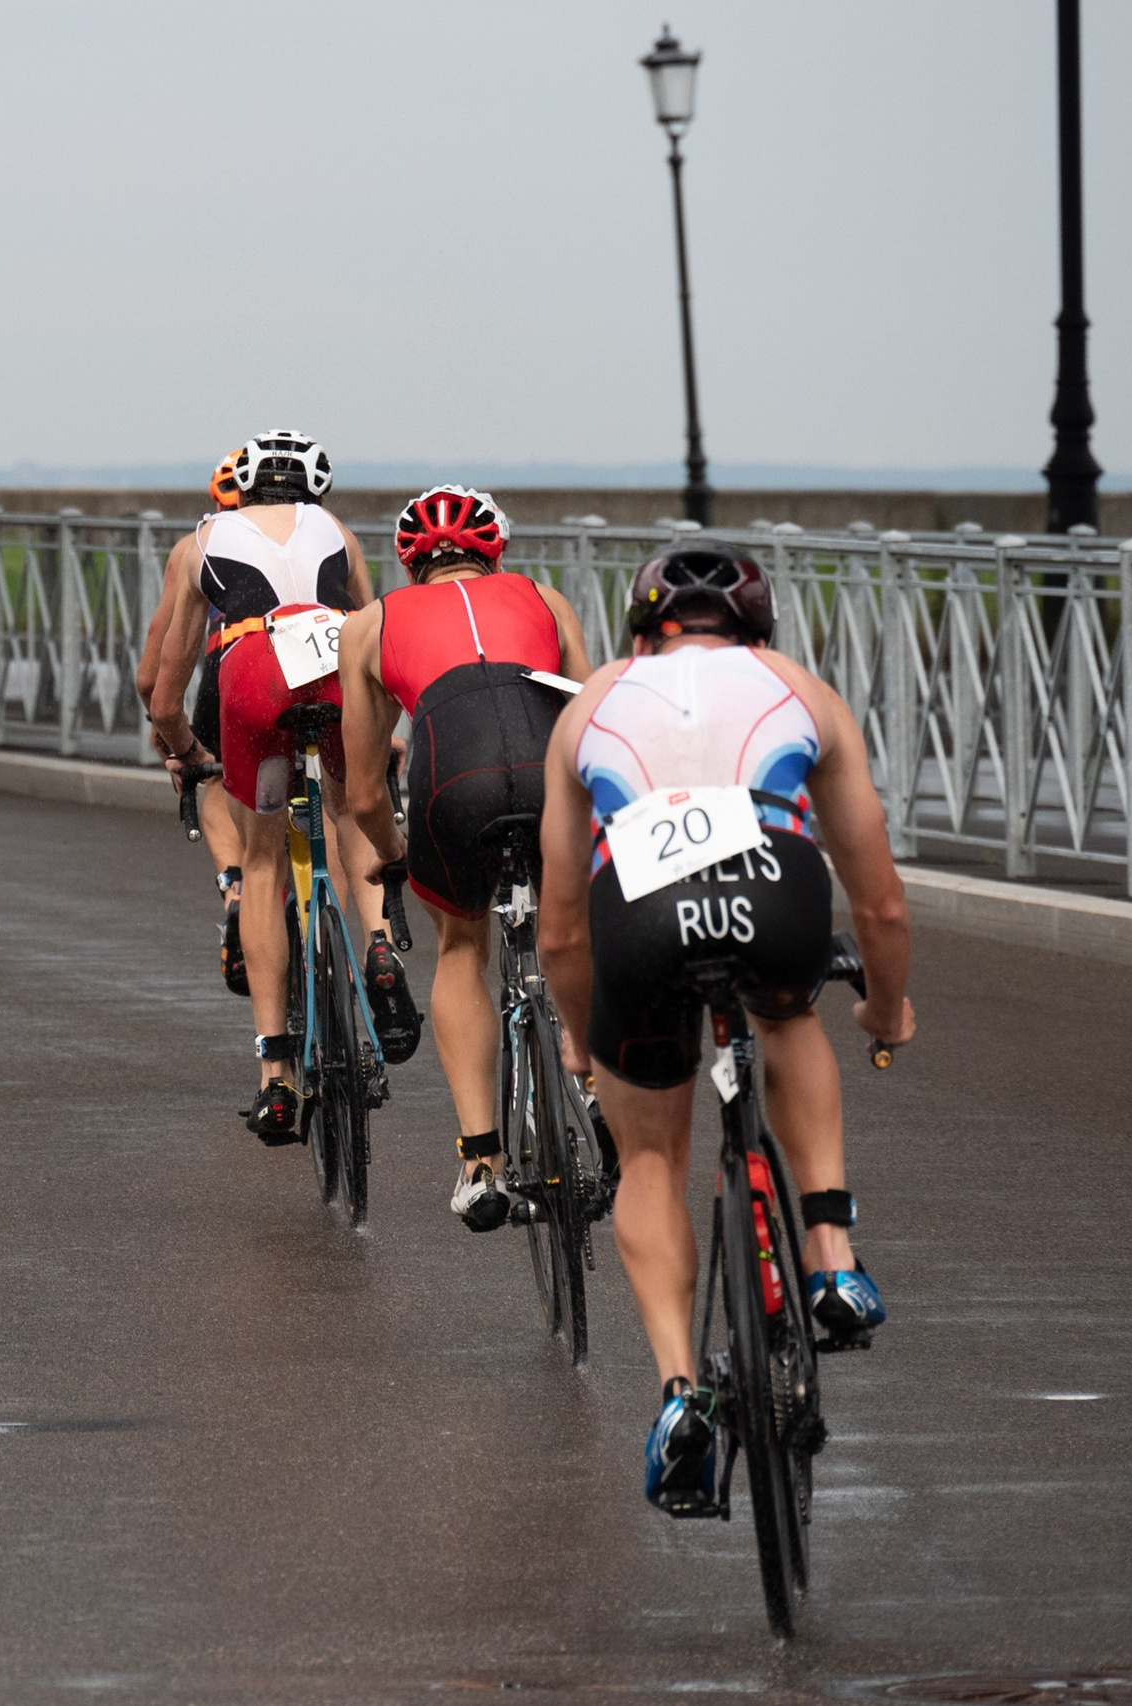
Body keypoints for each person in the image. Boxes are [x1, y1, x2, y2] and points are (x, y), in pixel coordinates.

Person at [534, 544, 914, 1514]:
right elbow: (879, 904)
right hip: (777, 893)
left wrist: (585, 1039)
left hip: (637, 909)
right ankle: (830, 1258)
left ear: (639, 626)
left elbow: (561, 926)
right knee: (785, 1014)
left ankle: (675, 1390)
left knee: (651, 1154)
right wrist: (884, 1003)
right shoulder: (799, 687)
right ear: (758, 625)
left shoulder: (590, 703)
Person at [148, 430, 418, 1143]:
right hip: (333, 667)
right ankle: (382, 945)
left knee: (265, 861)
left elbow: (165, 694)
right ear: (312, 491)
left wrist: (186, 750)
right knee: (350, 811)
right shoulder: (338, 533)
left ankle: (274, 1077)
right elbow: (377, 633)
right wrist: (381, 733)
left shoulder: (200, 542)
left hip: (251, 676)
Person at [339, 486, 592, 1230]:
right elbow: (593, 711)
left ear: (410, 562)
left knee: (460, 946)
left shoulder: (370, 623)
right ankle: (594, 1075)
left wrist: (397, 856)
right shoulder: (544, 598)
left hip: (453, 774)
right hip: (550, 767)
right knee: (577, 921)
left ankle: (481, 1159)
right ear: (494, 552)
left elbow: (361, 795)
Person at [135, 454, 250, 994]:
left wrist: (175, 744)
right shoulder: (314, 537)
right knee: (332, 799)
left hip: (226, 673)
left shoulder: (193, 548)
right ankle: (365, 939)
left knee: (219, 782)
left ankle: (236, 893)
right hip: (313, 674)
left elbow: (150, 675)